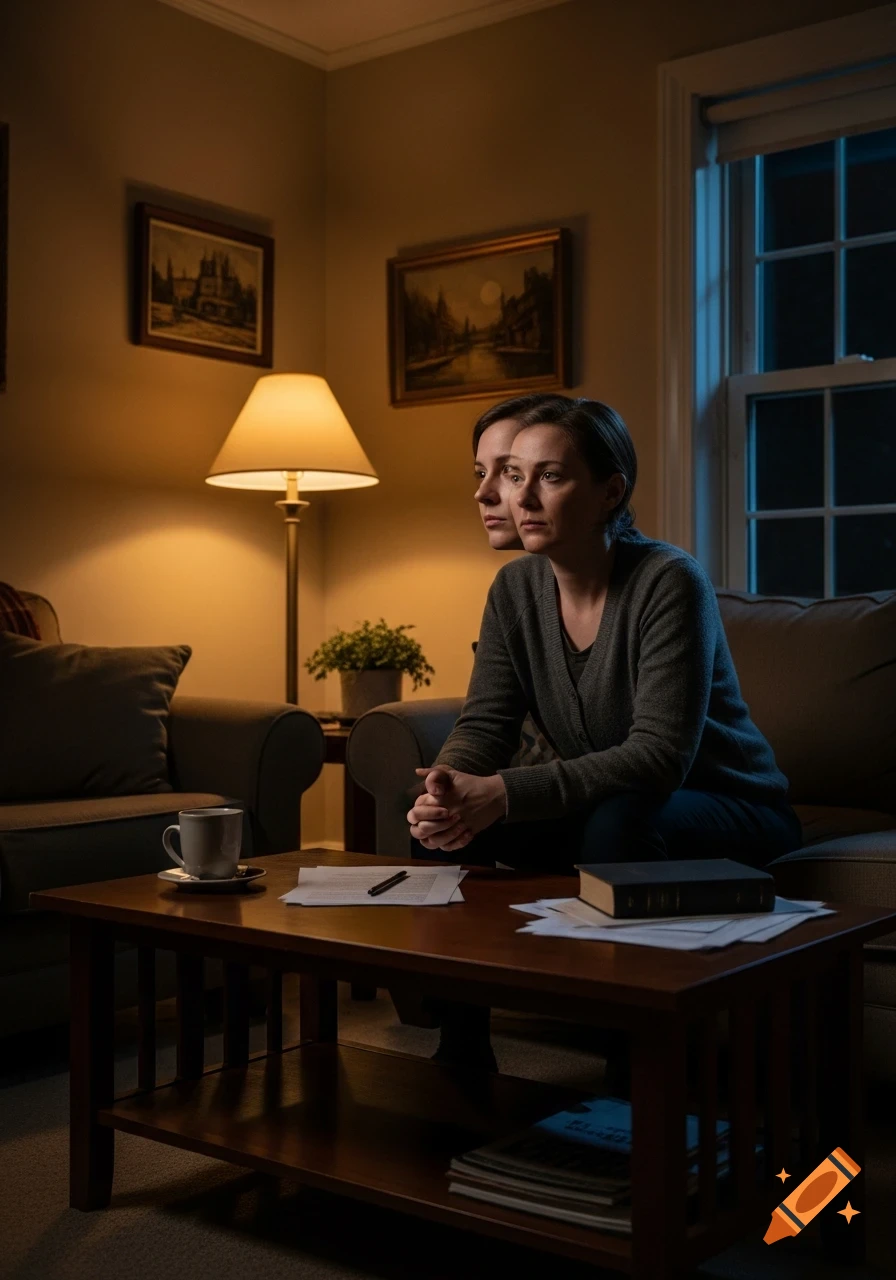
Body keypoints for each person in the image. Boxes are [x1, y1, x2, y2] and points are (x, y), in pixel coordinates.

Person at [408, 393, 802, 1067]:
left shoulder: (668, 581)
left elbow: (657, 760)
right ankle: (462, 1046)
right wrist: (451, 787)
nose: (520, 496)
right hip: (613, 803)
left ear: (610, 491)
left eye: (550, 477)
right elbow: (485, 721)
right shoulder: (514, 590)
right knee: (447, 825)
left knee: (617, 822)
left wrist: (503, 790)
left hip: (731, 805)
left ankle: (637, 1060)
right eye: (512, 476)